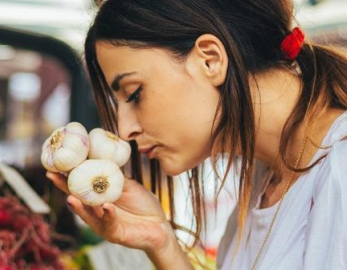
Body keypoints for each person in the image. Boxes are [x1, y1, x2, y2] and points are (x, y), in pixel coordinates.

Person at [46, 0, 347, 269]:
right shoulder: (266, 178)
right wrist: (161, 241)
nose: (125, 131)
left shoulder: (340, 169)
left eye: (134, 94)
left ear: (210, 60)